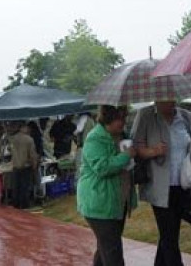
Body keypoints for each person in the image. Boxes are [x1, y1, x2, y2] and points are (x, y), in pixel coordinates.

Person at [132, 100, 191, 266]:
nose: (169, 100)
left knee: (170, 233)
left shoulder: (187, 117)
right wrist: (153, 151)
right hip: (159, 187)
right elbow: (135, 147)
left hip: (184, 185)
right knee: (169, 235)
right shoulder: (146, 115)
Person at [77, 105, 138, 266]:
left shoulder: (121, 136)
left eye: (124, 118)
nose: (123, 122)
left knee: (105, 248)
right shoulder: (94, 138)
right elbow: (102, 167)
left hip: (117, 203)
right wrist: (125, 156)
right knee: (113, 253)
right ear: (108, 118)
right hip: (100, 204)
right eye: (119, 118)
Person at [10, 122, 39, 209]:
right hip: (26, 166)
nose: (28, 129)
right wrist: (34, 164)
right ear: (23, 128)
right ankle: (24, 205)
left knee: (16, 187)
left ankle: (16, 205)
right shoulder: (29, 139)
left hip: (15, 166)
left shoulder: (13, 139)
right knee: (25, 187)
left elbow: (11, 151)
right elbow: (32, 154)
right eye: (27, 127)